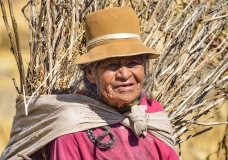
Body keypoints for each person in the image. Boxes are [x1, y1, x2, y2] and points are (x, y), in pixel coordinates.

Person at [1, 7, 179, 160]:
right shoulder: (71, 126)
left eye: (133, 62)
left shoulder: (153, 115)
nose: (125, 74)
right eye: (111, 64)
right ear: (91, 73)